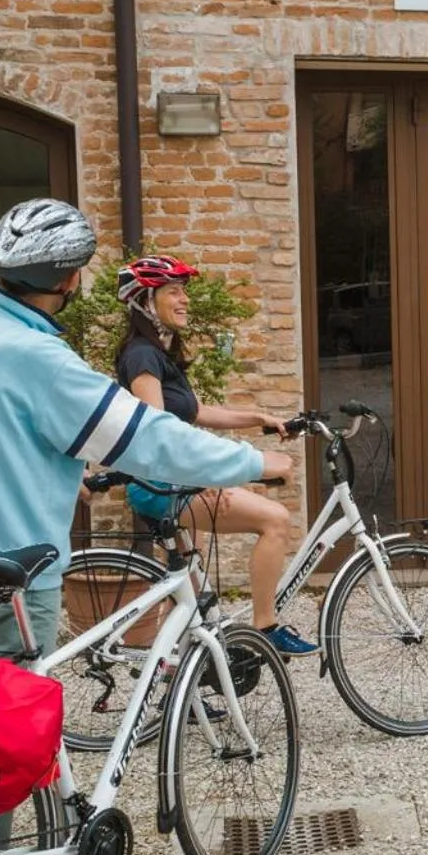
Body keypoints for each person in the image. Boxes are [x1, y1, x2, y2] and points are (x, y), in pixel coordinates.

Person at [0, 200, 295, 855]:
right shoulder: (40, 360)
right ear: (69, 279)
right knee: (7, 727)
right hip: (12, 562)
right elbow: (149, 440)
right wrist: (256, 460)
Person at [113, 254, 315, 656]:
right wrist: (213, 472)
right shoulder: (141, 356)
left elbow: (196, 412)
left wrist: (259, 418)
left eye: (184, 292)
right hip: (163, 486)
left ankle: (177, 670)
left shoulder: (157, 353)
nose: (185, 300)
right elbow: (159, 432)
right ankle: (266, 626)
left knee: (189, 590)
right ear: (146, 302)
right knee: (275, 520)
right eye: (174, 292)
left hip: (171, 481)